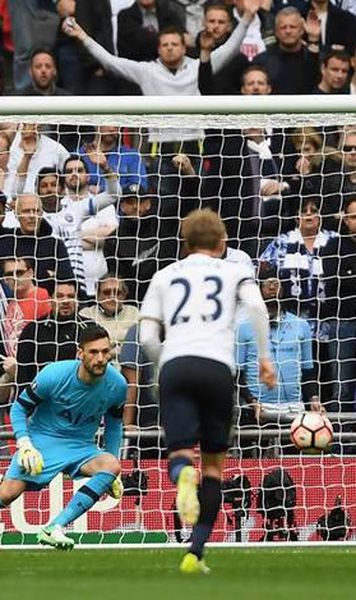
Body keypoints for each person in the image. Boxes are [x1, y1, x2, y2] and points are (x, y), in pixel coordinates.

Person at [139, 208, 275, 573]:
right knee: (214, 467)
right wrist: (264, 357)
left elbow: (147, 336)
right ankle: (194, 552)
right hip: (217, 368)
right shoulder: (235, 271)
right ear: (222, 241)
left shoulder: (164, 275)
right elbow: (259, 309)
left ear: (185, 242)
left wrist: (161, 367)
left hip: (177, 365)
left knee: (181, 453)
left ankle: (183, 473)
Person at [0, 325, 127, 549]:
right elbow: (19, 409)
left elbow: (114, 426)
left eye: (105, 352)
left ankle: (54, 528)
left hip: (81, 448)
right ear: (80, 353)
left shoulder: (117, 385)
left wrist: (113, 466)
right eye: (93, 352)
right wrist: (26, 444)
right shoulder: (54, 375)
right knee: (7, 494)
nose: (100, 358)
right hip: (42, 442)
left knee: (111, 465)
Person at [236, 263, 322, 455]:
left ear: (282, 288)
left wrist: (314, 398)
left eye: (276, 283)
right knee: (253, 467)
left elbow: (308, 369)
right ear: (259, 290)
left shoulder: (301, 326)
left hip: (294, 409)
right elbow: (237, 373)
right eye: (267, 283)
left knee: (293, 468)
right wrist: (251, 401)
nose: (272, 287)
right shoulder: (244, 328)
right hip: (258, 410)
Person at [16, 280, 93, 387]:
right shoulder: (33, 330)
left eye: (70, 296)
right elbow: (23, 375)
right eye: (59, 296)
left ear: (77, 300)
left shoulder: (91, 328)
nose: (65, 301)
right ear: (51, 299)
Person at [79, 273, 139, 366]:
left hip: (130, 366)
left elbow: (138, 346)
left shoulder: (134, 313)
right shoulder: (86, 314)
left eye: (117, 293)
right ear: (97, 296)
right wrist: (122, 342)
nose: (112, 297)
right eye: (106, 292)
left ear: (124, 296)